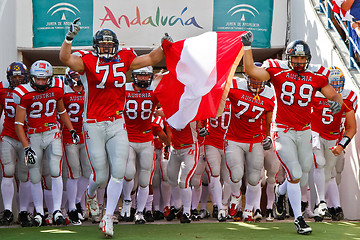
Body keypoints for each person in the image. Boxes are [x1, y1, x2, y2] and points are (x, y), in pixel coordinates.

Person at [59, 18, 168, 237]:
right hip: (94, 124)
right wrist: (69, 38)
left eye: (110, 45)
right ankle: (90, 195)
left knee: (118, 172)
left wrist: (165, 44)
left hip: (117, 123)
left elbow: (152, 58)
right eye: (103, 45)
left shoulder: (125, 57)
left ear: (115, 45)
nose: (107, 49)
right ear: (96, 46)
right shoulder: (87, 60)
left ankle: (108, 217)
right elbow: (64, 58)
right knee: (100, 176)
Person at [241, 31, 343, 234]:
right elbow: (251, 69)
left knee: (303, 174)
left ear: (308, 59)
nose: (298, 61)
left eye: (302, 57)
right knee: (295, 173)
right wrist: (246, 48)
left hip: (305, 131)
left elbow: (334, 94)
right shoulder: (278, 71)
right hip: (283, 130)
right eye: (294, 57)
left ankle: (281, 191)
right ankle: (298, 219)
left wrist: (337, 104)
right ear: (288, 57)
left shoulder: (316, 75)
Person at [13, 60, 80, 227]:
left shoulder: (57, 88)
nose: (41, 83)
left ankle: (56, 210)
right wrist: (26, 147)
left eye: (44, 79)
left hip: (52, 133)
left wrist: (71, 129)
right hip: (34, 135)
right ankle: (39, 213)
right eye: (38, 79)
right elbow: (19, 124)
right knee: (34, 175)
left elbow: (62, 111)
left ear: (50, 78)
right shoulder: (23, 93)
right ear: (31, 78)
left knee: (55, 170)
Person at [225, 72, 275, 222]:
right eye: (253, 80)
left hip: (254, 141)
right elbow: (216, 96)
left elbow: (268, 120)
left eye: (259, 81)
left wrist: (268, 136)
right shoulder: (235, 85)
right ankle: (235, 196)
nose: (256, 84)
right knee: (236, 174)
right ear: (246, 78)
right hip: (234, 138)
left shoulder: (269, 94)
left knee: (254, 178)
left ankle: (248, 210)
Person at [311, 66, 357, 221]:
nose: (336, 87)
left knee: (332, 173)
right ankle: (320, 203)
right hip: (315, 134)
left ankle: (329, 206)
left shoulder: (348, 98)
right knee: (316, 166)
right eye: (333, 83)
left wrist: (341, 144)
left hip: (334, 137)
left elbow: (351, 126)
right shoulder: (315, 93)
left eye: (339, 83)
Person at [121, 66, 159, 224]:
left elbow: (171, 102)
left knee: (144, 179)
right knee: (128, 173)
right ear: (133, 76)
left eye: (146, 76)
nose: (143, 79)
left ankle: (140, 212)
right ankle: (127, 201)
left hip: (146, 139)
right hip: (128, 138)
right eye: (140, 75)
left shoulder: (154, 91)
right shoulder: (123, 89)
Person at [0, 62, 33, 227]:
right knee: (8, 171)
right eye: (14, 77)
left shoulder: (32, 89)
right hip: (9, 136)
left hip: (27, 138)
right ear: (9, 78)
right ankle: (7, 211)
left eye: (20, 76)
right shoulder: (2, 89)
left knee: (24, 175)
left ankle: (24, 211)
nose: (18, 79)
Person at [61, 68, 91, 225]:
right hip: (70, 135)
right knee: (74, 173)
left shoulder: (88, 91)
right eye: (75, 76)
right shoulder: (64, 93)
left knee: (88, 171)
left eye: (80, 75)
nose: (78, 79)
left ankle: (77, 201)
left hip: (86, 136)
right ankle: (72, 208)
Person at [203, 99, 231, 222]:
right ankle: (219, 207)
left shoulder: (235, 99)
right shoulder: (209, 98)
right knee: (214, 174)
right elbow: (199, 116)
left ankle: (224, 205)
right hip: (212, 141)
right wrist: (201, 128)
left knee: (229, 177)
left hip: (229, 142)